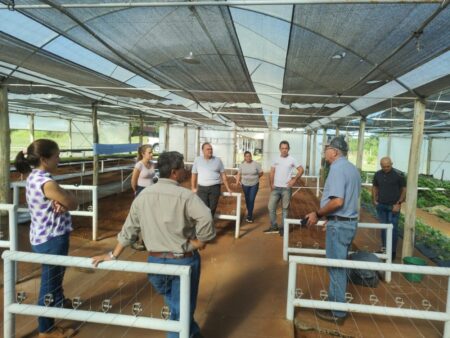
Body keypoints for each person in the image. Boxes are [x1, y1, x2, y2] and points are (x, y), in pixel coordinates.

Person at [92, 151, 215, 338]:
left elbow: (129, 229)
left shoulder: (143, 196)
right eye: (182, 168)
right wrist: (201, 241)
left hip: (155, 264)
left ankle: (193, 333)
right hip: (183, 262)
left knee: (177, 306)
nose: (185, 171)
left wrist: (112, 255)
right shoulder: (186, 196)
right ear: (174, 172)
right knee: (180, 312)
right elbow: (206, 216)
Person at [15, 139, 78, 338]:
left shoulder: (33, 176)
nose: (59, 159)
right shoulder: (47, 182)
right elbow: (73, 203)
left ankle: (58, 303)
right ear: (44, 159)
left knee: (55, 276)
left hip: (41, 236)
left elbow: (58, 201)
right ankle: (46, 329)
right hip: (53, 239)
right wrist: (65, 200)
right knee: (49, 285)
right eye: (56, 155)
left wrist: (60, 201)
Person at [305, 135, 361, 325]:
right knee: (339, 264)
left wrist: (318, 214)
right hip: (347, 221)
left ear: (335, 152)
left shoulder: (337, 169)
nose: (325, 152)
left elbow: (337, 201)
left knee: (336, 267)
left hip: (340, 225)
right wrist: (333, 217)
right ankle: (334, 302)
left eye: (327, 148)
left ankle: (337, 310)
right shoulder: (352, 169)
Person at [265, 140, 304, 236]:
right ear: (279, 149)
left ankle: (283, 229)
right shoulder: (275, 159)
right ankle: (274, 226)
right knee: (271, 207)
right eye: (282, 148)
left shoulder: (292, 159)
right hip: (276, 188)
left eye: (286, 148)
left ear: (288, 149)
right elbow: (272, 172)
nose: (284, 150)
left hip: (286, 188)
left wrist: (294, 180)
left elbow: (301, 170)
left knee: (285, 209)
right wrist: (271, 184)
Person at [372, 156, 406, 260]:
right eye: (383, 166)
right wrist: (374, 199)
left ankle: (392, 252)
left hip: (393, 207)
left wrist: (399, 203)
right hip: (381, 206)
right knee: (383, 229)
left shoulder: (399, 175)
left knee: (393, 229)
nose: (386, 168)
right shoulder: (377, 174)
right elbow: (375, 187)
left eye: (388, 166)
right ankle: (384, 249)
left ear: (392, 164)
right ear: (380, 165)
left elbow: (404, 190)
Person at [191, 142, 231, 217]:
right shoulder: (197, 160)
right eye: (208, 149)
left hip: (215, 188)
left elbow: (223, 174)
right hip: (202, 188)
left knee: (212, 208)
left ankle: (209, 226)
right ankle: (207, 226)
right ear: (202, 151)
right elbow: (194, 174)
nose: (210, 151)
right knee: (204, 209)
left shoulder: (218, 160)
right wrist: (193, 187)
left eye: (211, 149)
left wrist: (228, 188)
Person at [236, 151, 263, 223]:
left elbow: (261, 173)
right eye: (246, 156)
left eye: (249, 156)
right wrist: (237, 182)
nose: (248, 157)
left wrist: (256, 178)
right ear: (244, 157)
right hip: (245, 184)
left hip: (254, 184)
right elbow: (239, 174)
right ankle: (249, 212)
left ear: (251, 156)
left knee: (251, 199)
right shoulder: (242, 165)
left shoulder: (256, 164)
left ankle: (249, 215)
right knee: (247, 199)